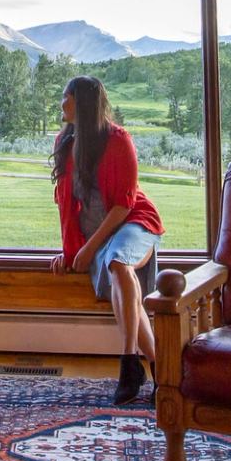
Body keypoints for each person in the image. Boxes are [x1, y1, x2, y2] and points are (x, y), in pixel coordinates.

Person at [49, 76, 165, 404]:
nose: (62, 104)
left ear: (81, 103)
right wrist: (70, 251)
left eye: (66, 97)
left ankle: (128, 361)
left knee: (118, 263)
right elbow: (67, 207)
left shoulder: (118, 140)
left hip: (133, 223)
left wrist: (88, 248)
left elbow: (124, 205)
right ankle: (160, 370)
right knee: (121, 278)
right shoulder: (65, 142)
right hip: (100, 237)